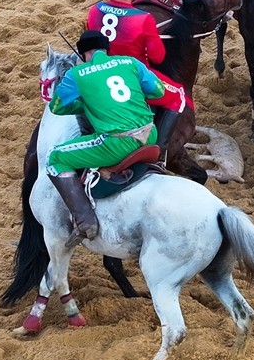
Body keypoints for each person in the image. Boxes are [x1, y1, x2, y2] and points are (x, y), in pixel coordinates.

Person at [47, 30, 177, 248]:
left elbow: (56, 107)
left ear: (84, 54)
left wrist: (84, 104)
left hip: (117, 143)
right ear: (106, 49)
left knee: (55, 157)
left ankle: (85, 220)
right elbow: (157, 91)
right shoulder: (131, 62)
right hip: (150, 135)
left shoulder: (76, 74)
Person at [85, 0, 166, 69]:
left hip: (99, 69)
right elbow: (158, 58)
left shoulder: (95, 9)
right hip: (132, 72)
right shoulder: (144, 18)